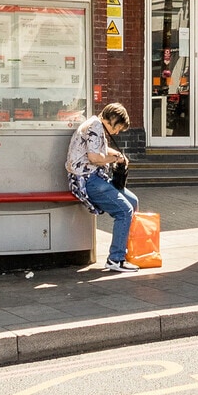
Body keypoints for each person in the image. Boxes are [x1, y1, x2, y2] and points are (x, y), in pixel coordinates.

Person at [67, 102, 140, 272]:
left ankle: (126, 250)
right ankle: (116, 259)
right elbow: (94, 156)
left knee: (133, 201)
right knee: (124, 210)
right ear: (113, 120)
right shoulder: (95, 126)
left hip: (94, 177)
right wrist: (115, 160)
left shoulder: (95, 124)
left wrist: (117, 155)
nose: (117, 132)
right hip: (86, 180)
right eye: (119, 128)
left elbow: (99, 148)